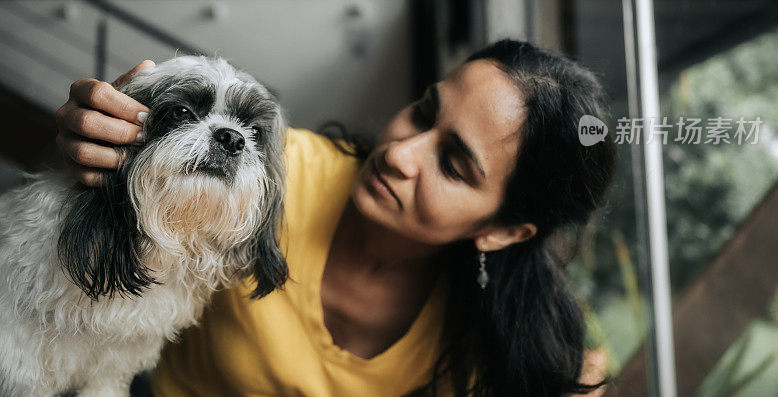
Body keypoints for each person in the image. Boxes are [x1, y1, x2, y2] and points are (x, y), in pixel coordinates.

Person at [55, 40, 617, 396]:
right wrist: (98, 134)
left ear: (502, 231)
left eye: (451, 164)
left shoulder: (486, 339)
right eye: (423, 112)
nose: (400, 153)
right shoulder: (267, 173)